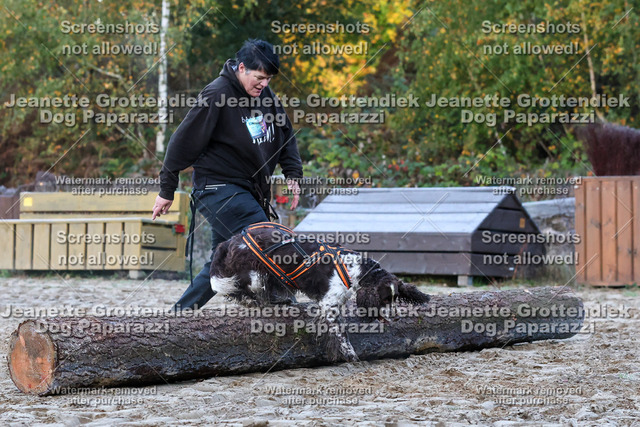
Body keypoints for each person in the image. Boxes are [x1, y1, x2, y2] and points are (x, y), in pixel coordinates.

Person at [152, 39, 303, 310]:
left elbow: (285, 133)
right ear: (241, 68)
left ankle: (178, 315)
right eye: (259, 78)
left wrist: (293, 173)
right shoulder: (216, 94)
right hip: (217, 189)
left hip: (248, 190)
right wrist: (167, 190)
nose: (264, 84)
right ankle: (286, 307)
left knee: (221, 262)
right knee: (267, 238)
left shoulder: (265, 95)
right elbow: (181, 141)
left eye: (268, 79)